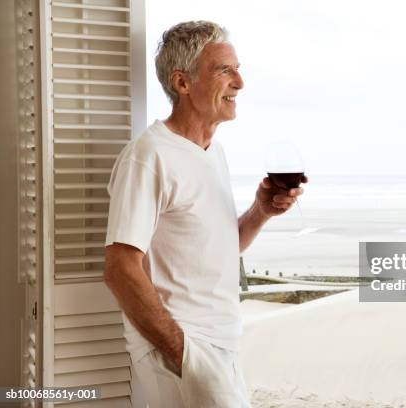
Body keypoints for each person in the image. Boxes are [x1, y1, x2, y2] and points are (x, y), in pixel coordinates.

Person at [103, 21, 305, 407]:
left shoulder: (213, 153)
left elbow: (220, 249)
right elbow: (119, 268)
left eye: (237, 68)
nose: (240, 83)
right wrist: (183, 353)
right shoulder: (149, 157)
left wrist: (260, 211)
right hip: (184, 348)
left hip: (221, 345)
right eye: (224, 70)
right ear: (182, 83)